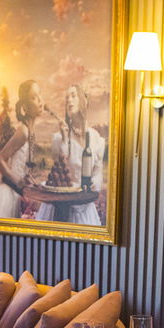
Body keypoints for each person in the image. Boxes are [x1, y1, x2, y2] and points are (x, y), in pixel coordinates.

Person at [36, 85, 105, 226]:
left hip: (84, 207)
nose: (69, 101)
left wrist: (94, 181)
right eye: (67, 98)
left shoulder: (95, 137)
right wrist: (65, 139)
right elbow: (60, 171)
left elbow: (98, 172)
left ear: (84, 101)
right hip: (61, 207)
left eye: (73, 96)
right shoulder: (59, 138)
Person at [0, 79, 43, 218]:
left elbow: (23, 168)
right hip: (6, 196)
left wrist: (31, 184)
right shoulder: (23, 131)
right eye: (34, 97)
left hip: (16, 195)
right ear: (25, 106)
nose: (40, 100)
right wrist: (19, 184)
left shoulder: (31, 132)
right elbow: (0, 160)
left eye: (39, 94)